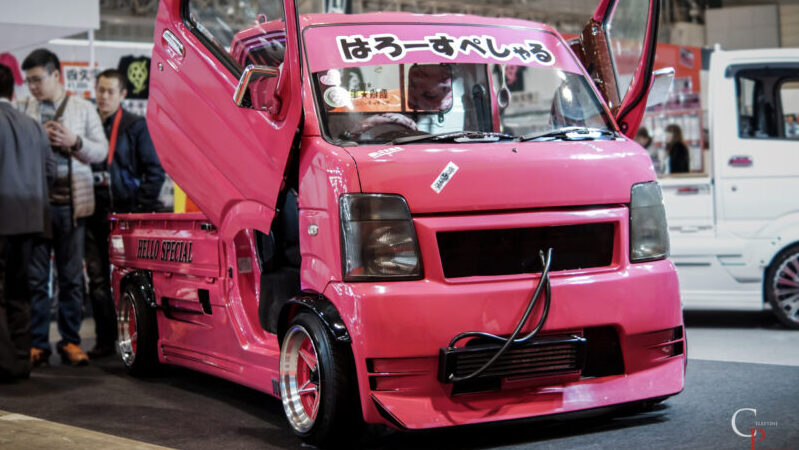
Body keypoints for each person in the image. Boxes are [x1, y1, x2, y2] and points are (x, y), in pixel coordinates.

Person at [18, 49, 108, 367]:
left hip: (73, 207)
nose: (32, 87)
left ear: (56, 75)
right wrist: (36, 140)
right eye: (28, 81)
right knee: (36, 279)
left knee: (71, 278)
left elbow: (101, 151)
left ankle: (70, 340)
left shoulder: (83, 108)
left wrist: (75, 142)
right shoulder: (24, 109)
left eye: (37, 79)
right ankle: (38, 343)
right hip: (37, 206)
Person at [85, 69, 165, 358]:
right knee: (97, 279)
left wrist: (137, 209)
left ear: (122, 94)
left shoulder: (134, 126)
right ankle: (105, 340)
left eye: (110, 91)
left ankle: (136, 338)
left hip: (126, 216)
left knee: (131, 280)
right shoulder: (88, 124)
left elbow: (154, 172)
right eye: (100, 90)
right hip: (93, 212)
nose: (104, 96)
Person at [0, 64, 55, 381]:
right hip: (31, 221)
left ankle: (6, 363)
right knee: (19, 292)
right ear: (12, 90)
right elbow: (50, 172)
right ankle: (21, 360)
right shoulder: (33, 125)